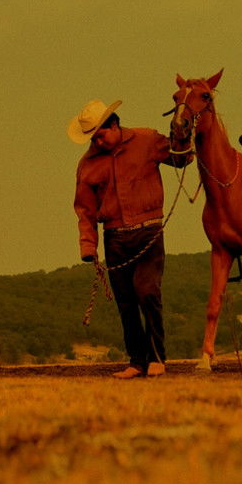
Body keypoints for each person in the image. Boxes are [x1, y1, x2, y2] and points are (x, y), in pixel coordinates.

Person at [70, 99, 192, 379]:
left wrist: (182, 137)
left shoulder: (147, 140)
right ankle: (137, 362)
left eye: (101, 135)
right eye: (93, 138)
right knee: (125, 302)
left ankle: (157, 358)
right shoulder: (87, 165)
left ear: (114, 124)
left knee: (147, 292)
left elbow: (180, 157)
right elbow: (85, 210)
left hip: (148, 231)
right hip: (114, 237)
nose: (98, 142)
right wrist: (88, 246)